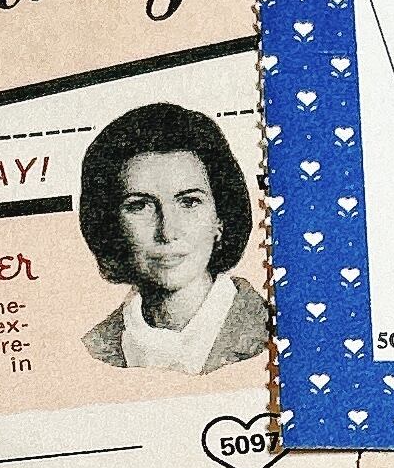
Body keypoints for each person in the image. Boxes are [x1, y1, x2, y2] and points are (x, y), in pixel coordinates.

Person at [77, 103, 270, 374]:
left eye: (189, 202)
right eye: (139, 205)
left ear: (221, 218)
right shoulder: (90, 353)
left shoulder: (277, 333)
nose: (167, 232)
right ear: (111, 225)